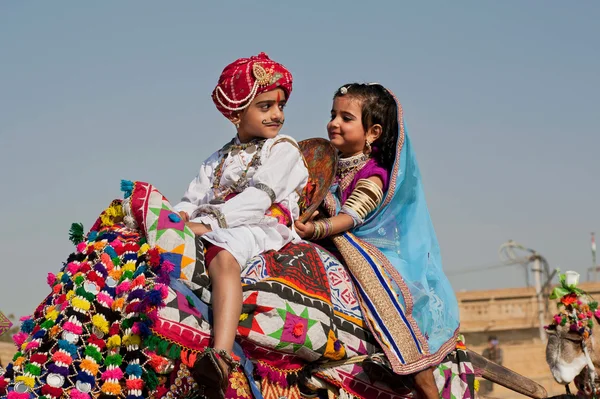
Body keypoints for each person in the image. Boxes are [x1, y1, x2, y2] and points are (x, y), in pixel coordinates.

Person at [295, 83, 460, 399]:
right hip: (330, 245)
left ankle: (423, 380)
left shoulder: (374, 173)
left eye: (346, 117)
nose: (334, 123)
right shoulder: (321, 167)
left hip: (376, 252)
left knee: (383, 297)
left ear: (372, 132)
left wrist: (315, 229)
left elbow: (352, 217)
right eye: (333, 115)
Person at [174, 52, 308, 398]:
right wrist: (173, 222)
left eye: (279, 106)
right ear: (236, 113)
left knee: (223, 255)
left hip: (261, 227)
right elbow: (191, 201)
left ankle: (220, 356)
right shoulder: (216, 159)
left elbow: (258, 201)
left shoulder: (284, 150)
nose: (277, 114)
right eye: (265, 107)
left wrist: (207, 226)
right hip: (215, 225)